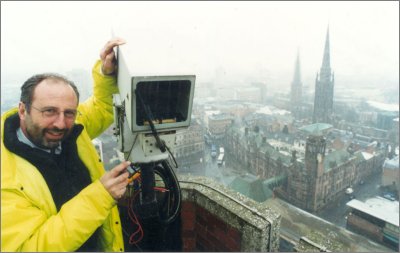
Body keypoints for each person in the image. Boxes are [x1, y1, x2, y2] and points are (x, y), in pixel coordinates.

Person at [1, 38, 130, 252]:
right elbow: (30, 247)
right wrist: (100, 196)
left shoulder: (72, 128)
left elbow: (100, 107)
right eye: (49, 111)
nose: (61, 124)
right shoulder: (5, 172)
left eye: (69, 112)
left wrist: (106, 74)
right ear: (23, 110)